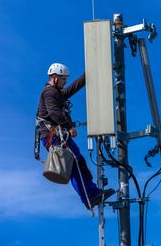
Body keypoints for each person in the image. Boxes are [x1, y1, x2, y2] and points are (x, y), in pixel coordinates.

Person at [36, 62, 115, 209]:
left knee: (78, 161)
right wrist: (69, 126)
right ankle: (90, 196)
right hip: (52, 136)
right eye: (63, 79)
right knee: (75, 163)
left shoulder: (57, 93)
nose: (65, 83)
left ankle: (92, 193)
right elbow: (54, 112)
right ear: (54, 78)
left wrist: (89, 72)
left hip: (55, 136)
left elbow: (73, 87)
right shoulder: (50, 92)